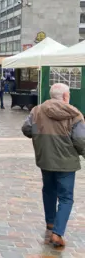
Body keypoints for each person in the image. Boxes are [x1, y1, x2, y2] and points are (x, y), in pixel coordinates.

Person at [21, 83, 85, 248]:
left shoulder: (37, 111)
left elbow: (27, 129)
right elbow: (80, 140)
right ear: (65, 96)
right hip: (66, 162)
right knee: (65, 197)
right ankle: (57, 233)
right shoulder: (74, 114)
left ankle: (50, 222)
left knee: (49, 191)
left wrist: (40, 134)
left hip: (45, 159)